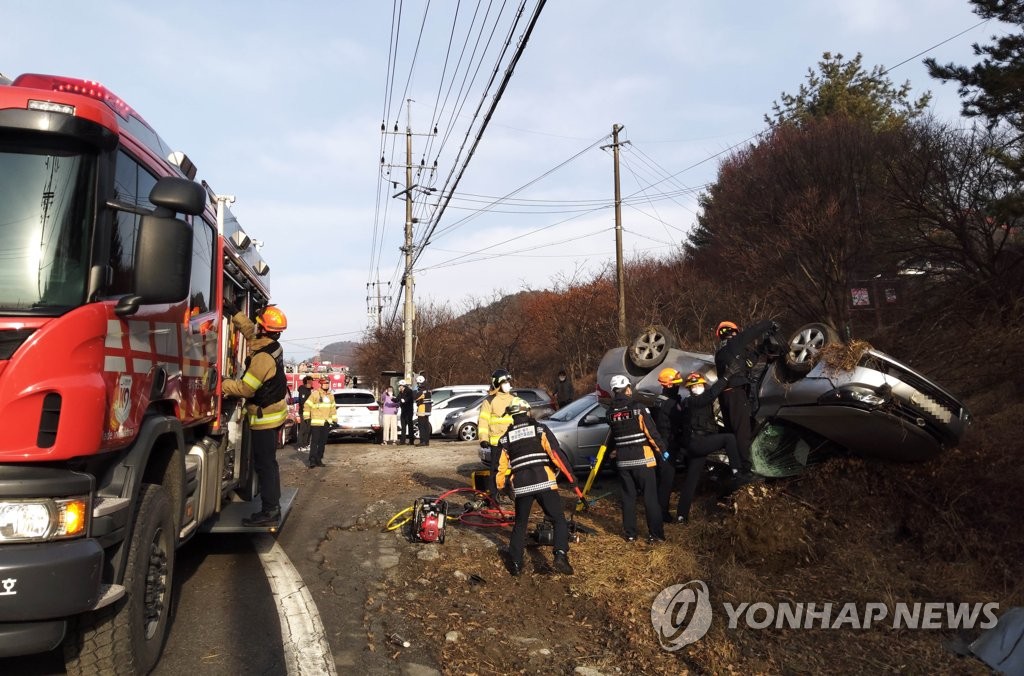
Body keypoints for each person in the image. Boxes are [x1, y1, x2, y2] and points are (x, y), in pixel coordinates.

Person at [222, 305, 289, 527]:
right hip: (272, 414)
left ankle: (270, 510)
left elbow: (246, 389)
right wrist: (235, 313)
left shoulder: (262, 359)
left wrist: (222, 383)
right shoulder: (271, 346)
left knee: (265, 465)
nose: (256, 325)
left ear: (264, 327)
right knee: (268, 464)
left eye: (258, 322)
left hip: (264, 418)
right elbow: (251, 332)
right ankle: (272, 507)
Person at [495, 398, 576, 576]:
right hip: (544, 481)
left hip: (522, 486)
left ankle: (515, 564)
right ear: (527, 412)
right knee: (558, 520)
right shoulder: (540, 429)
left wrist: (502, 486)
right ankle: (560, 555)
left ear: (512, 416)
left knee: (520, 524)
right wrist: (571, 477)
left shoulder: (505, 439)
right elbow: (556, 454)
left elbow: (500, 467)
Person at [676, 372, 748, 522]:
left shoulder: (686, 403)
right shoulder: (695, 401)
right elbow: (712, 393)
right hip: (699, 442)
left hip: (695, 445)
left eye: (699, 385)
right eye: (694, 386)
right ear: (690, 389)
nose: (697, 387)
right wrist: (726, 377)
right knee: (729, 439)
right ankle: (737, 472)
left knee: (691, 480)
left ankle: (681, 515)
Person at [606, 374, 666, 543]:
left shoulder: (609, 413)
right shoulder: (638, 408)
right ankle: (656, 535)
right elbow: (651, 433)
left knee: (628, 498)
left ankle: (630, 534)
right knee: (650, 498)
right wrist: (663, 452)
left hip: (623, 462)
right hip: (643, 459)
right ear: (626, 389)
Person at [713, 319, 778, 473]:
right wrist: (769, 324)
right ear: (732, 332)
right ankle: (746, 469)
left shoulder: (722, 353)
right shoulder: (733, 343)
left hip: (726, 395)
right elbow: (752, 331)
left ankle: (736, 468)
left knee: (733, 432)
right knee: (743, 432)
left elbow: (747, 364)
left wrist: (760, 350)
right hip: (735, 393)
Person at [652, 367, 685, 523]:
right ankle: (662, 512)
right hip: (668, 444)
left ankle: (659, 509)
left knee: (661, 479)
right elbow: (680, 422)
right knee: (666, 480)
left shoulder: (658, 400)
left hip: (660, 443)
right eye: (676, 383)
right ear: (669, 385)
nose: (678, 386)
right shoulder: (671, 404)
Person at [478, 369, 516, 500]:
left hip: (514, 441)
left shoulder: (514, 399)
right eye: (505, 382)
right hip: (497, 443)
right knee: (495, 470)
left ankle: (512, 490)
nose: (508, 384)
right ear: (497, 384)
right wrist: (483, 438)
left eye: (508, 382)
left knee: (517, 468)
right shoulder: (489, 401)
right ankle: (494, 496)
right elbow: (483, 421)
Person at [303, 376, 336, 468]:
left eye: (327, 383)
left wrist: (334, 420)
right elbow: (307, 405)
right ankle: (312, 460)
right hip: (316, 422)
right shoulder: (315, 394)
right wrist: (306, 417)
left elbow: (333, 409)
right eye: (325, 383)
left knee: (322, 442)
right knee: (315, 442)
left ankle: (319, 459)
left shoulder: (331, 395)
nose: (326, 385)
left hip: (326, 422)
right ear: (321, 384)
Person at [295, 375, 314, 452]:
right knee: (303, 428)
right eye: (309, 382)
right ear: (305, 382)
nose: (311, 383)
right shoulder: (302, 390)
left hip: (310, 413)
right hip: (303, 413)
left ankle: (306, 444)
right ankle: (300, 445)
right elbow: (303, 402)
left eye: (311, 382)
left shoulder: (310, 390)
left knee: (308, 429)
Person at [415, 374, 432, 446]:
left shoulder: (422, 390)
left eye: (418, 383)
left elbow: (415, 397)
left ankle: (422, 441)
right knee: (426, 425)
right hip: (428, 409)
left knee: (421, 425)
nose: (417, 384)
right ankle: (427, 441)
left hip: (422, 408)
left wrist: (415, 390)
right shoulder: (428, 389)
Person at [398, 380, 416, 445]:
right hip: (403, 411)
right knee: (403, 426)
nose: (399, 387)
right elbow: (398, 399)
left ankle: (411, 440)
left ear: (403, 386)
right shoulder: (400, 392)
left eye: (400, 386)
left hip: (409, 411)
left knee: (410, 426)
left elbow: (410, 398)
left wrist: (405, 400)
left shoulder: (409, 391)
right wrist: (392, 398)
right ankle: (402, 441)